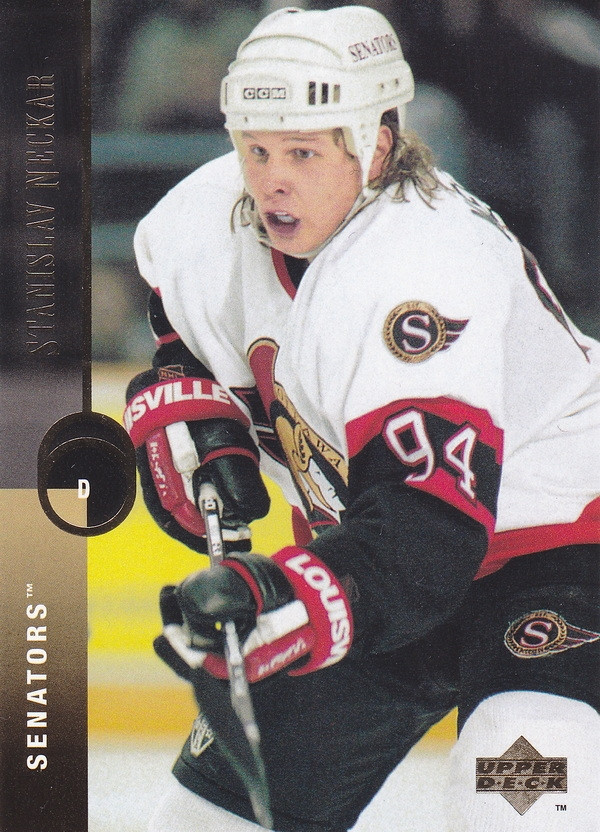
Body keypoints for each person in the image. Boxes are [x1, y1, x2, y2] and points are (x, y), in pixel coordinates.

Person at [123, 6, 600, 831]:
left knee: (516, 800)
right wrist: (194, 410)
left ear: (376, 146)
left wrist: (276, 591)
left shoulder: (426, 269)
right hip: (370, 560)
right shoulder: (200, 218)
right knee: (201, 824)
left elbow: (427, 537)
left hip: (556, 551)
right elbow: (184, 333)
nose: (272, 180)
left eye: (303, 152)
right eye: (256, 149)